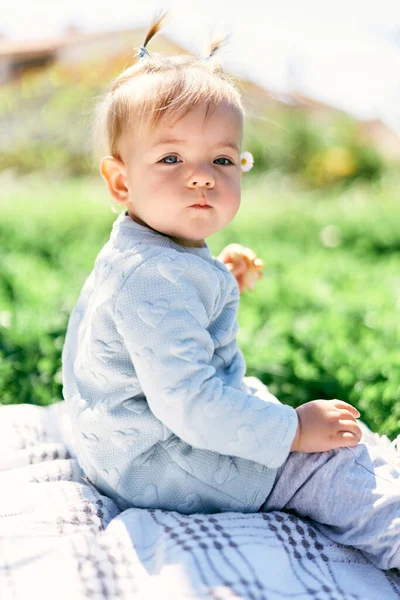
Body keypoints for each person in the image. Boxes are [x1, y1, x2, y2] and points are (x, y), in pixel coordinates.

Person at [62, 14, 400, 570]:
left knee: (309, 425)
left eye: (222, 159)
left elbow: (155, 324)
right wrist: (292, 431)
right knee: (324, 463)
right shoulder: (153, 279)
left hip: (129, 445)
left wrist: (218, 278)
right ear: (122, 180)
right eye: (171, 158)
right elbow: (190, 404)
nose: (202, 176)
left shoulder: (149, 254)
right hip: (161, 463)